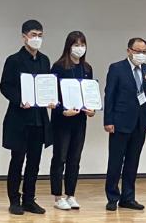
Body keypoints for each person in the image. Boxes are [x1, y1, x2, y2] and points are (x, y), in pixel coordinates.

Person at [0, 20, 55, 216]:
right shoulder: (13, 60)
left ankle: (29, 200)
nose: (37, 38)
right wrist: (20, 100)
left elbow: (47, 84)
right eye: (33, 35)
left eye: (40, 35)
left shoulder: (44, 60)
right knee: (17, 160)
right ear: (24, 36)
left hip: (39, 119)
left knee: (34, 162)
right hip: (20, 119)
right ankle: (14, 200)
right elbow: (5, 86)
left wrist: (50, 99)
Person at [104, 37, 146, 211]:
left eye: (144, 52)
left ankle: (128, 197)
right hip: (120, 122)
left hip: (140, 123)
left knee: (133, 162)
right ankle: (112, 197)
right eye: (138, 51)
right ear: (129, 51)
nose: (141, 54)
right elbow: (109, 95)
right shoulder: (117, 68)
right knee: (116, 161)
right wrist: (108, 120)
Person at [49, 31, 96, 211]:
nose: (80, 48)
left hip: (79, 120)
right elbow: (52, 95)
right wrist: (62, 110)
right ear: (69, 46)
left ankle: (71, 194)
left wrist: (92, 109)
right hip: (62, 120)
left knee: (75, 158)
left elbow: (90, 93)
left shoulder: (87, 69)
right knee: (60, 157)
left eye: (82, 45)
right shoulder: (59, 67)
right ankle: (57, 196)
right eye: (76, 45)